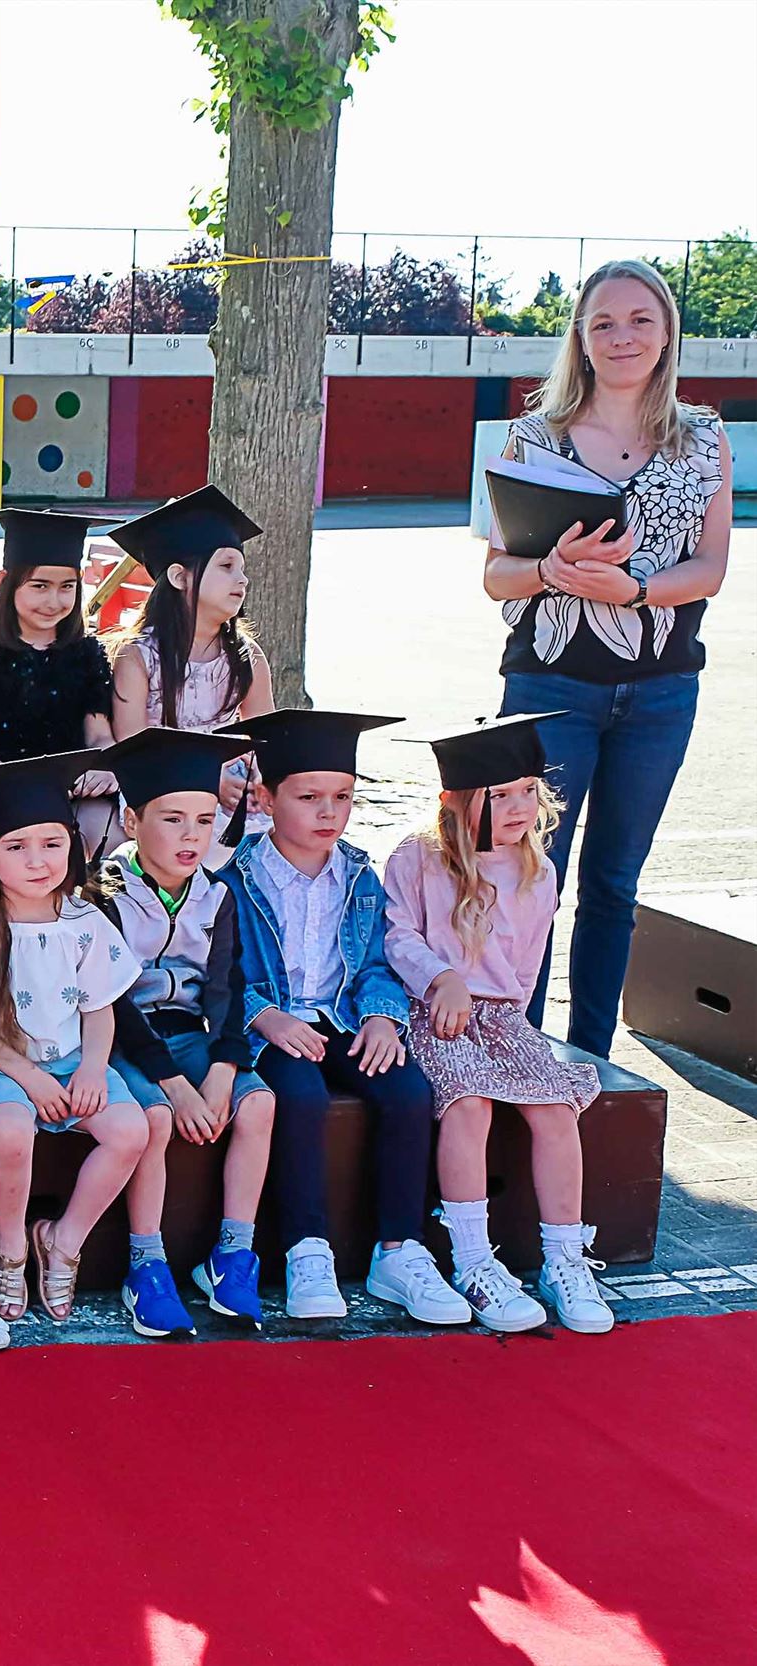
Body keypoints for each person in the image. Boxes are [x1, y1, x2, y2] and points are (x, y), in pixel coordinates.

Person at [481, 259, 734, 1058]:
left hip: (661, 696)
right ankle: (516, 1055)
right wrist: (551, 571)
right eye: (604, 323)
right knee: (530, 878)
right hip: (549, 688)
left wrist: (634, 591)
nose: (623, 336)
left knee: (614, 886)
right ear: (581, 340)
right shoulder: (535, 437)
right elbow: (497, 576)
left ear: (667, 334)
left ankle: (589, 1063)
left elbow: (711, 570)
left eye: (640, 320)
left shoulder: (704, 439)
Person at [223, 709, 466, 1327]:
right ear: (266, 799)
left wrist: (382, 1018)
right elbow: (223, 972)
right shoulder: (234, 880)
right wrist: (264, 1017)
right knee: (300, 1097)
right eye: (309, 798)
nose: (328, 812)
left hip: (343, 1019)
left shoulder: (358, 874)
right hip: (272, 1027)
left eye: (342, 797)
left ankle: (399, 1250)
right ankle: (306, 1250)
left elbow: (375, 963)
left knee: (408, 1092)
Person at [386, 715, 611, 1335]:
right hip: (434, 1012)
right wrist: (442, 978)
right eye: (501, 794)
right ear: (455, 801)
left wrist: (515, 1028)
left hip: (504, 1019)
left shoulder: (539, 871)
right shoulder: (419, 858)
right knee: (468, 1103)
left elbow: (527, 970)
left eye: (529, 791)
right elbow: (397, 935)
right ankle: (473, 1261)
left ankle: (565, 1260)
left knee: (556, 1108)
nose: (519, 807)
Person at [0, 751, 147, 1326]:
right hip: (3, 1065)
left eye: (51, 843)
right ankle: (10, 1245)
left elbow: (99, 1009)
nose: (37, 860)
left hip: (72, 1059)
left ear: (72, 843)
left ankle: (63, 1241)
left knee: (130, 1130)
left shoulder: (84, 920)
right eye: (16, 846)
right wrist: (27, 1075)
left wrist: (93, 1068)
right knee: (9, 1131)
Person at [92, 727, 275, 1331]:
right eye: (172, 820)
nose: (192, 835)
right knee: (156, 1118)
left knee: (258, 1103)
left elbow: (228, 991)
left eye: (204, 819)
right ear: (130, 820)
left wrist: (222, 1072)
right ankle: (146, 1263)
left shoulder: (217, 895)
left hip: (192, 1034)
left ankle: (233, 1254)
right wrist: (175, 1086)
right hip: (122, 1041)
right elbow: (115, 1004)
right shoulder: (103, 897)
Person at [104, 486, 274, 853]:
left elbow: (267, 739)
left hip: (232, 791)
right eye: (226, 566)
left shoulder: (247, 657)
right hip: (159, 786)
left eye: (242, 569)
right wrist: (207, 779)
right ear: (179, 577)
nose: (242, 579)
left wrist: (260, 777)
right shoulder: (138, 657)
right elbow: (132, 749)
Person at [0, 508, 118, 855]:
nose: (53, 601)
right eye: (39, 586)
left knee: (105, 834)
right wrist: (20, 783)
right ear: (6, 581)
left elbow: (99, 735)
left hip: (75, 790)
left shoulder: (87, 655)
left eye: (67, 587)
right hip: (4, 787)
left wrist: (105, 766)